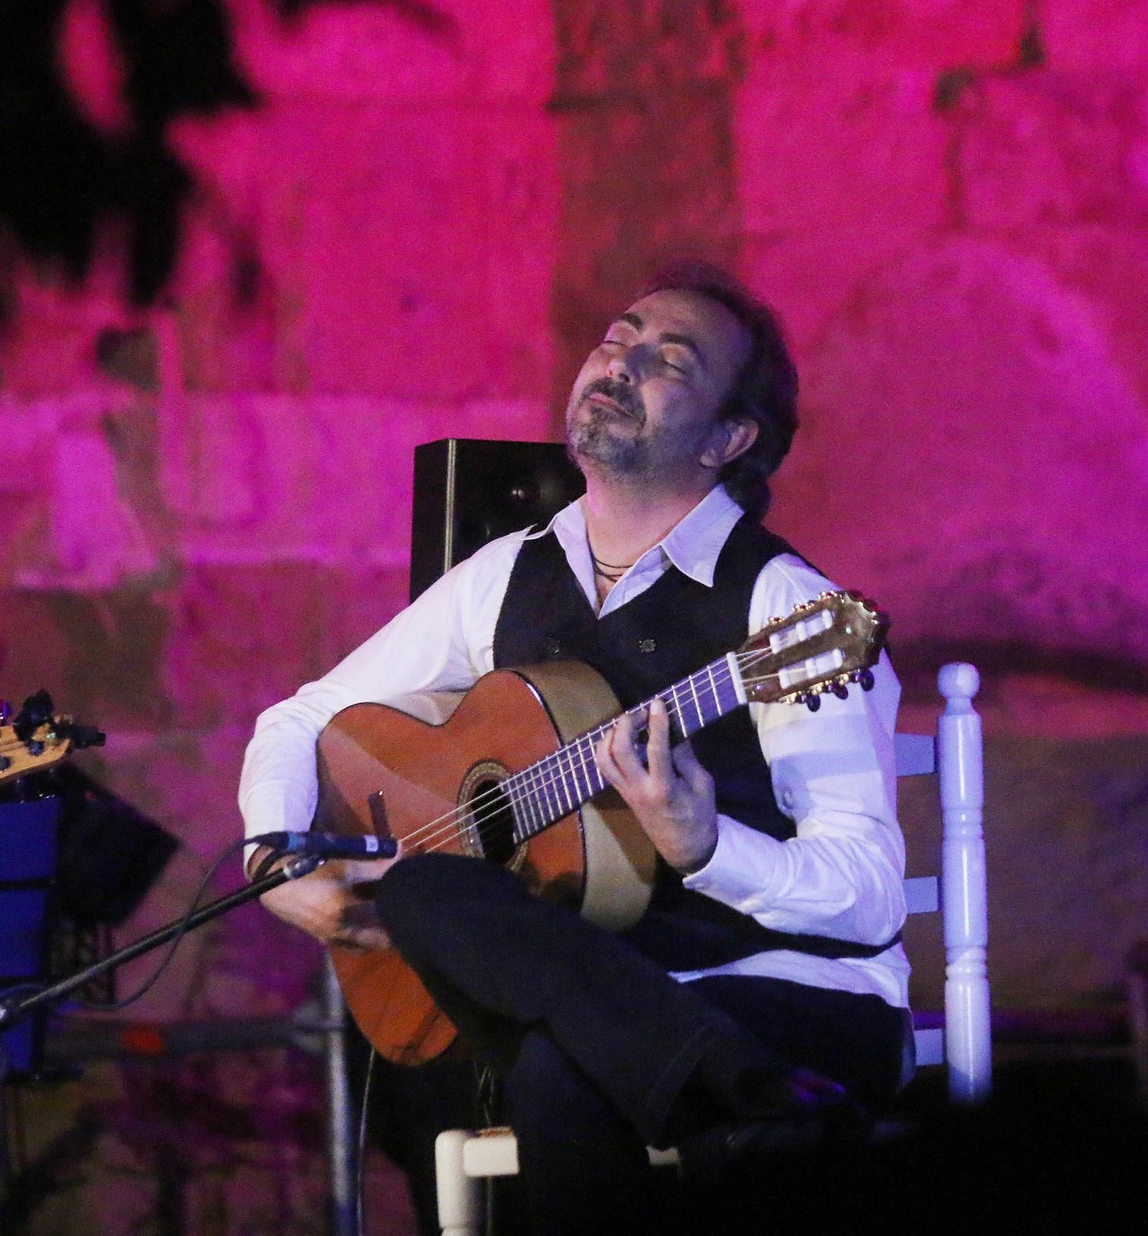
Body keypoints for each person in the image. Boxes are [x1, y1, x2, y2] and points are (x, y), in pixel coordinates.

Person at [238, 263, 910, 1232]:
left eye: (666, 359)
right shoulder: (507, 574)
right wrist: (271, 855)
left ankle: (742, 1073)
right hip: (617, 999)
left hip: (791, 993)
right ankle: (734, 1087)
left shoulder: (788, 612)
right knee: (425, 888)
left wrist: (707, 847)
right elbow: (299, 721)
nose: (620, 361)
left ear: (728, 438)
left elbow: (869, 894)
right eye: (615, 338)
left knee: (558, 1068)